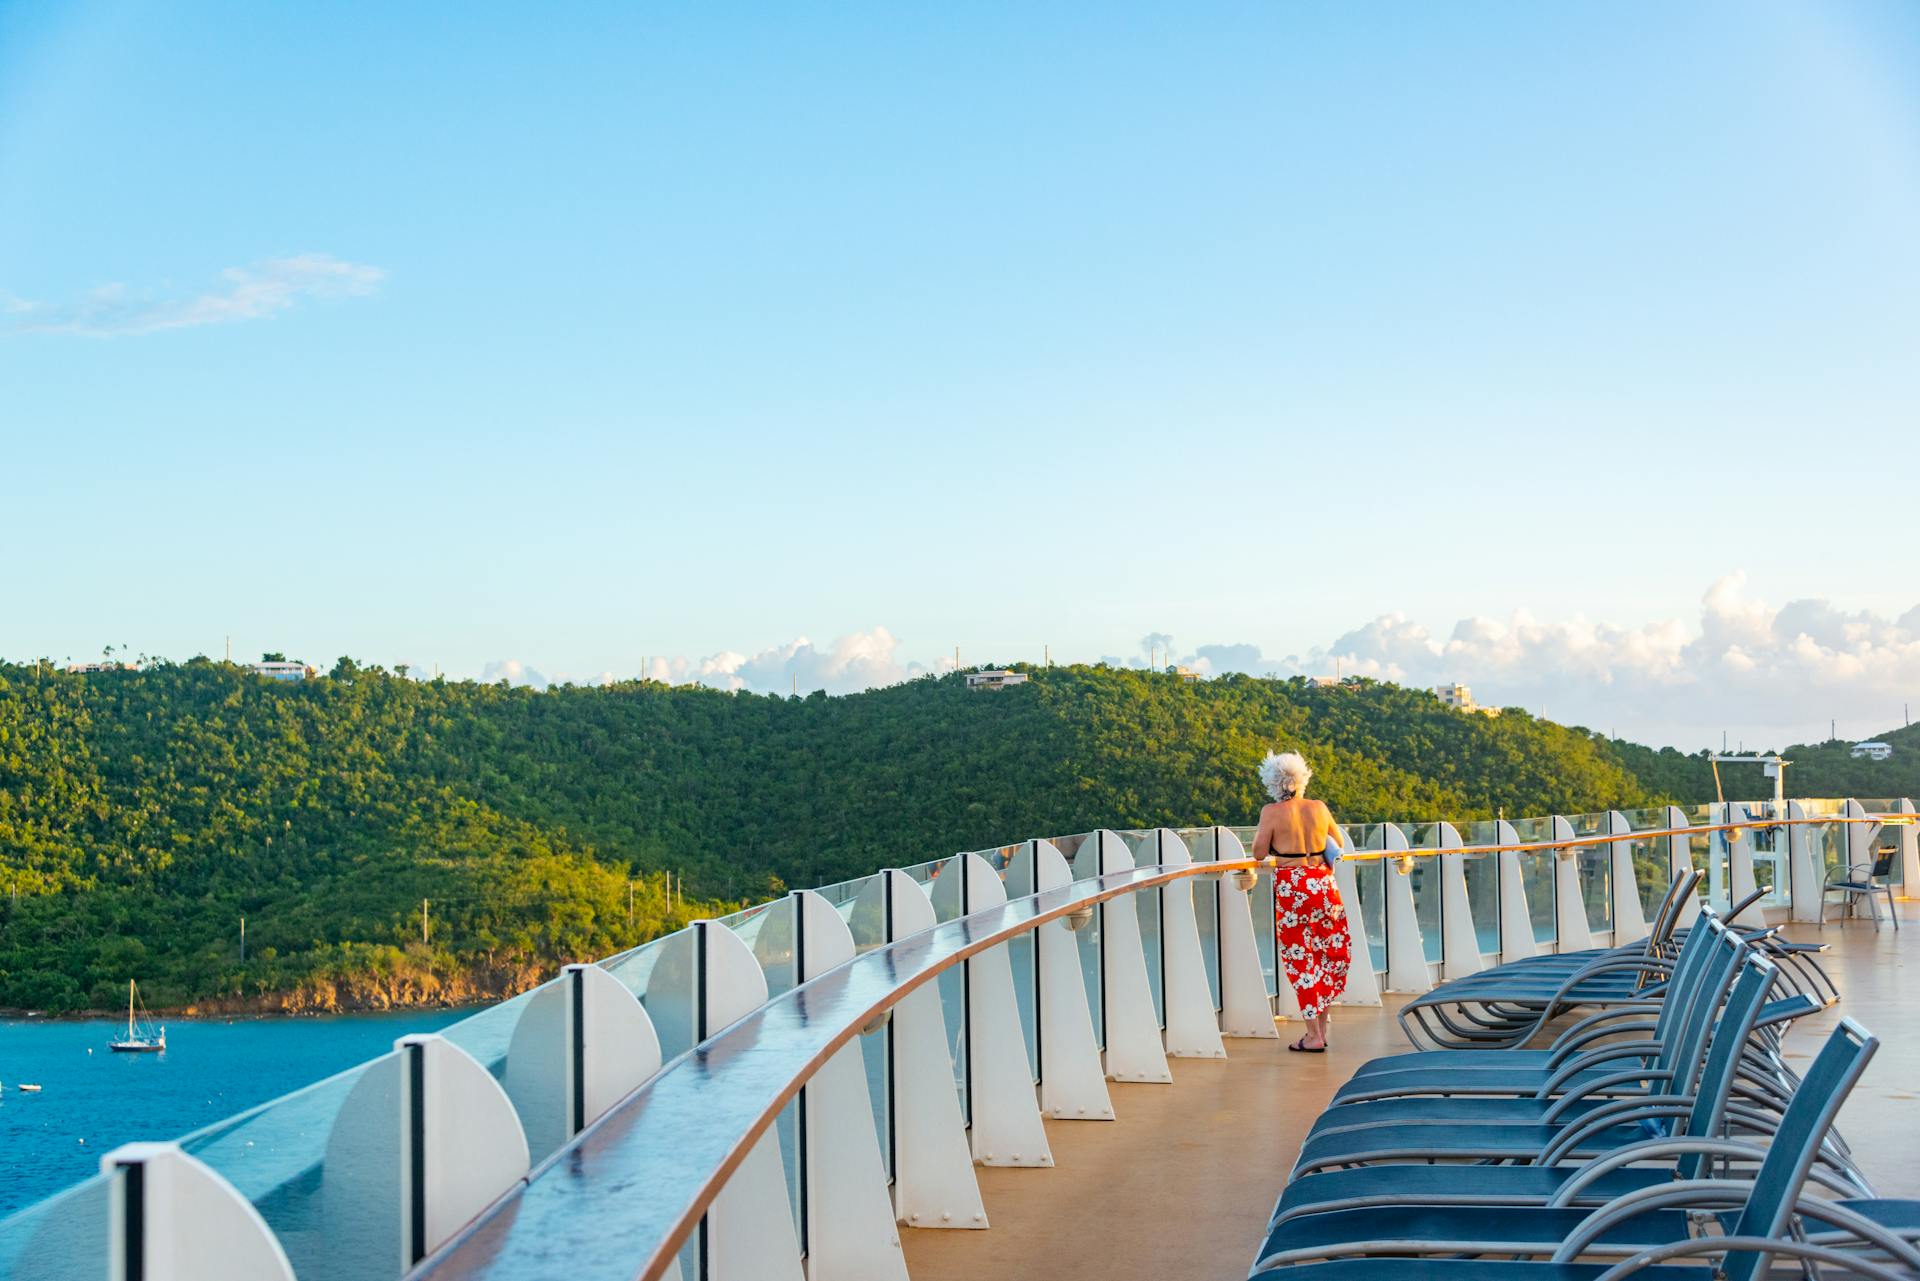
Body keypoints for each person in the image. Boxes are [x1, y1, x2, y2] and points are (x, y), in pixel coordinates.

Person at [1251, 751, 1352, 1052]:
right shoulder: (1319, 808)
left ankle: (1313, 1035)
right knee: (1327, 955)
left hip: (1293, 887)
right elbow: (1339, 842)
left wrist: (1278, 845)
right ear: (1303, 777)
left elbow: (1258, 853)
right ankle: (1320, 1030)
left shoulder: (1271, 812)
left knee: (1301, 958)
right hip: (1323, 882)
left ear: (1272, 781)